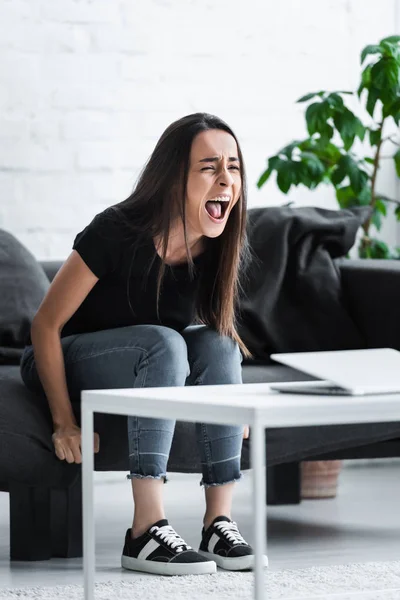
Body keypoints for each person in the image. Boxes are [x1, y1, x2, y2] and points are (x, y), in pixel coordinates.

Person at [20, 112, 266, 577]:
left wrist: (230, 401)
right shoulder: (117, 229)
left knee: (218, 344)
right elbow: (45, 325)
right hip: (66, 357)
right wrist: (64, 423)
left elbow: (216, 334)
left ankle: (218, 521)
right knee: (164, 343)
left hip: (142, 365)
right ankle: (145, 531)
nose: (226, 179)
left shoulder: (216, 241)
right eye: (209, 166)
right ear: (176, 178)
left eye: (233, 167)